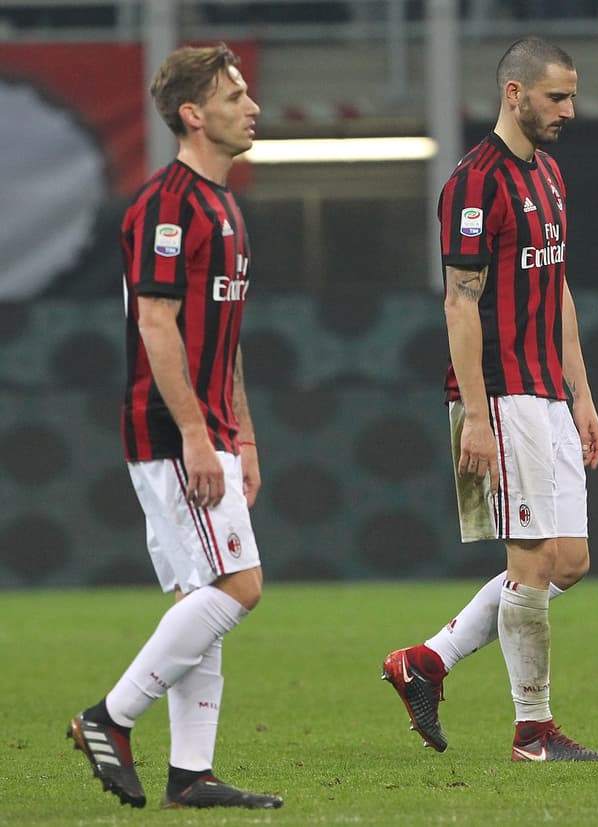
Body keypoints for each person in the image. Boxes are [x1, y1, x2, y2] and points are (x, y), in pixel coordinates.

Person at [66, 44, 283, 809]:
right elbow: (156, 321)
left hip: (212, 423)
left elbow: (227, 337)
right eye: (233, 96)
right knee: (239, 585)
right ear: (193, 115)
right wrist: (195, 433)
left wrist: (243, 434)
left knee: (208, 593)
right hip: (169, 425)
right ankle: (110, 716)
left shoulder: (224, 206)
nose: (250, 106)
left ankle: (191, 775)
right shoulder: (166, 203)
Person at [382, 37, 598, 763]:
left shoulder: (549, 176)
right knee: (532, 558)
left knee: (567, 561)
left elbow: (559, 288)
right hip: (503, 395)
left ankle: (428, 660)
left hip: (549, 392)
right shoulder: (474, 184)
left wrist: (583, 394)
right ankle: (532, 729)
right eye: (556, 96)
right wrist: (475, 414)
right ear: (515, 94)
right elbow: (458, 303)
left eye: (571, 95)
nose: (568, 109)